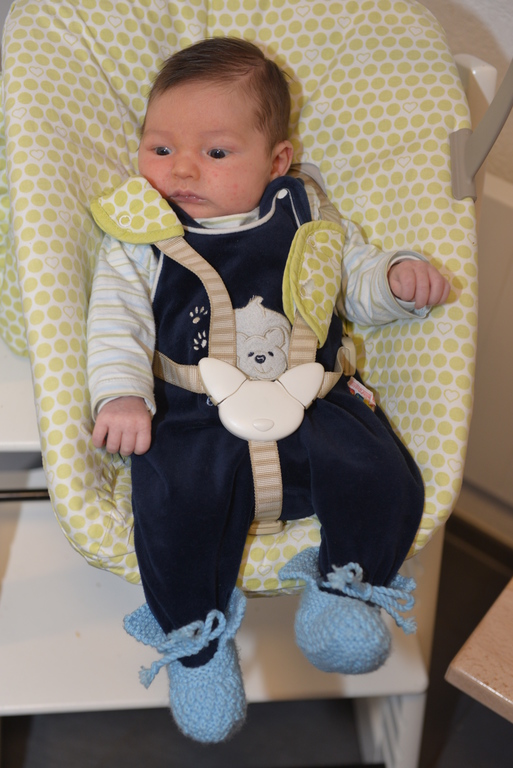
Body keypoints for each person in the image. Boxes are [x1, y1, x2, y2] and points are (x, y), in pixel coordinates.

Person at [87, 37, 450, 743]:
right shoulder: (139, 235)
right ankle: (195, 645)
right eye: (159, 148)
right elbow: (115, 324)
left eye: (216, 152)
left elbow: (354, 278)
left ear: (276, 161)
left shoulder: (305, 215)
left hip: (314, 398)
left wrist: (395, 280)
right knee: (170, 508)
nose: (181, 168)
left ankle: (346, 587)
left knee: (383, 473)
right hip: (192, 413)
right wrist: (121, 396)